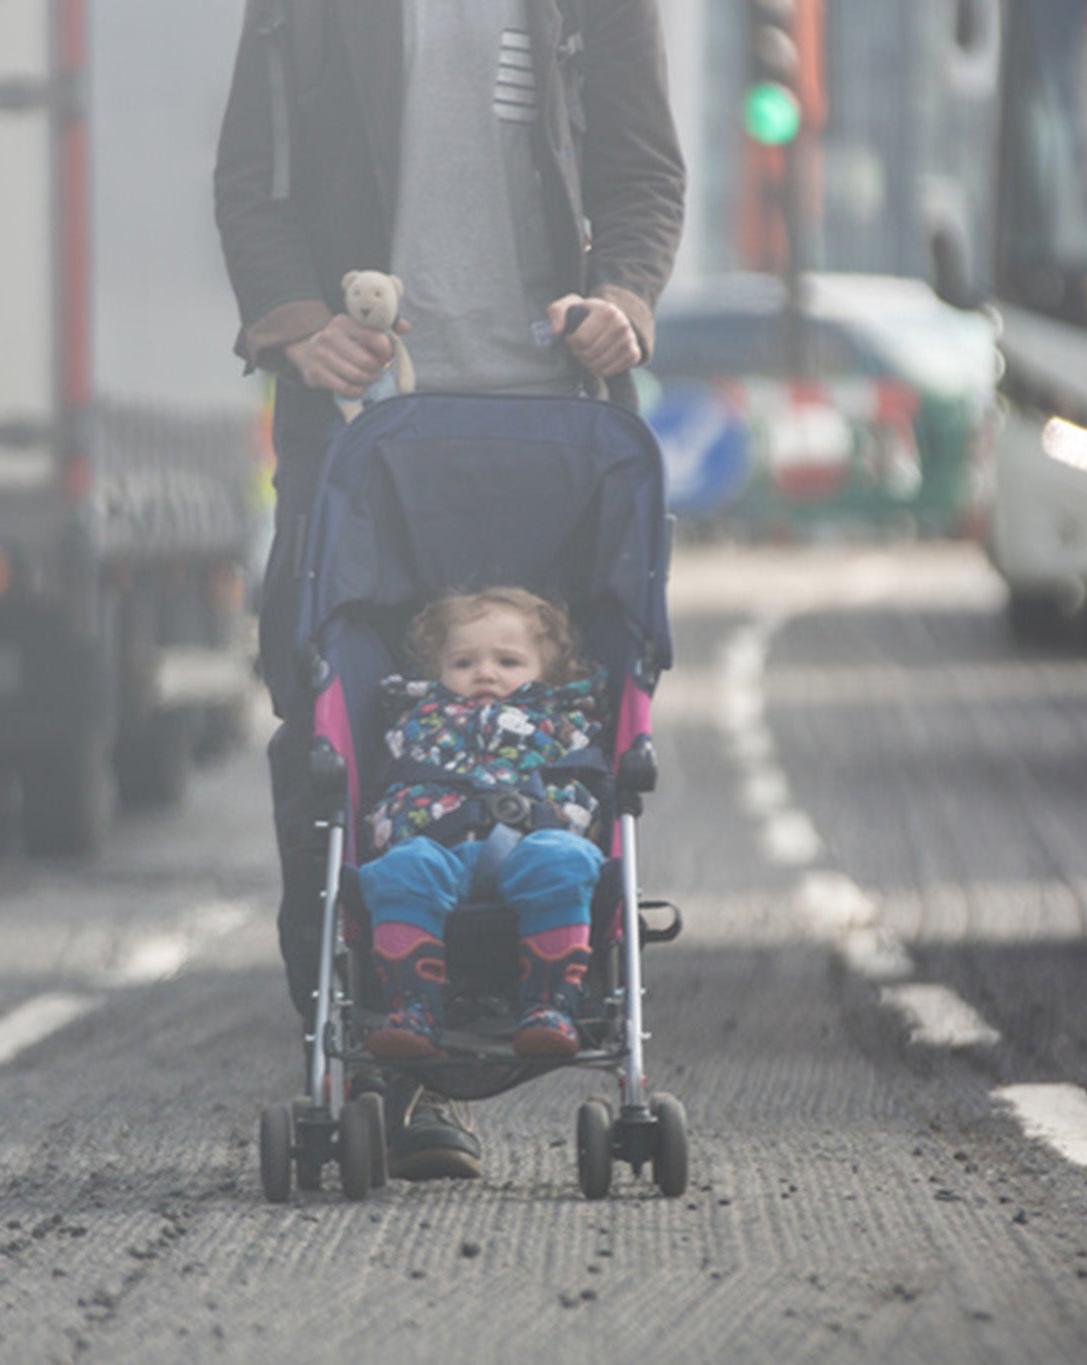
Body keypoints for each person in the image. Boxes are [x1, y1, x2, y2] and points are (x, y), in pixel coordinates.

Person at [215, 0, 684, 1181]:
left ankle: (543, 983)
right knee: (328, 718)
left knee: (559, 720)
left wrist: (625, 301)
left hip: (552, 435)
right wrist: (296, 327)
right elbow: (250, 184)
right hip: (364, 429)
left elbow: (640, 172)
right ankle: (380, 1060)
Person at [361, 588, 605, 1061]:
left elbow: (585, 788)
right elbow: (388, 787)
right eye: (463, 663)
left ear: (547, 674)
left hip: (531, 844)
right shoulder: (414, 719)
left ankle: (550, 1005)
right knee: (399, 868)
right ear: (436, 672)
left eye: (509, 662)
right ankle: (413, 1008)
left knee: (565, 860)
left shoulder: (563, 721)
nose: (485, 673)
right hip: (436, 845)